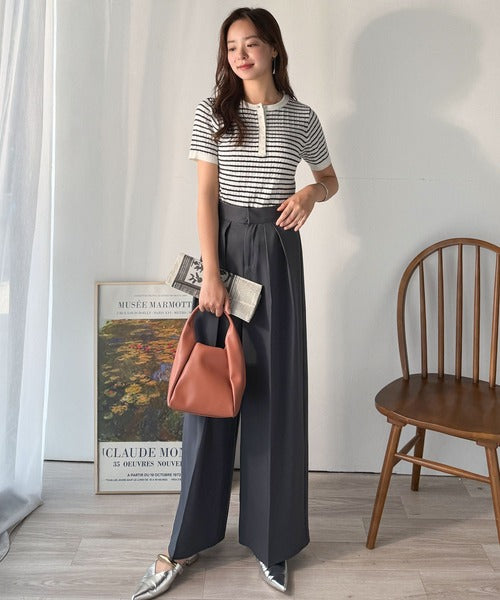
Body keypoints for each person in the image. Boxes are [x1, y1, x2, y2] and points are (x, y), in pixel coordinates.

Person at [131, 7, 338, 599]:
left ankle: (273, 544)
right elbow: (204, 196)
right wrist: (212, 276)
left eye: (250, 44)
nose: (240, 55)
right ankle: (186, 542)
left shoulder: (302, 117)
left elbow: (330, 179)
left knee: (273, 398)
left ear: (273, 49)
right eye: (231, 47)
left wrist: (310, 193)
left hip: (279, 255)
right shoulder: (213, 113)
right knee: (209, 395)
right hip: (224, 252)